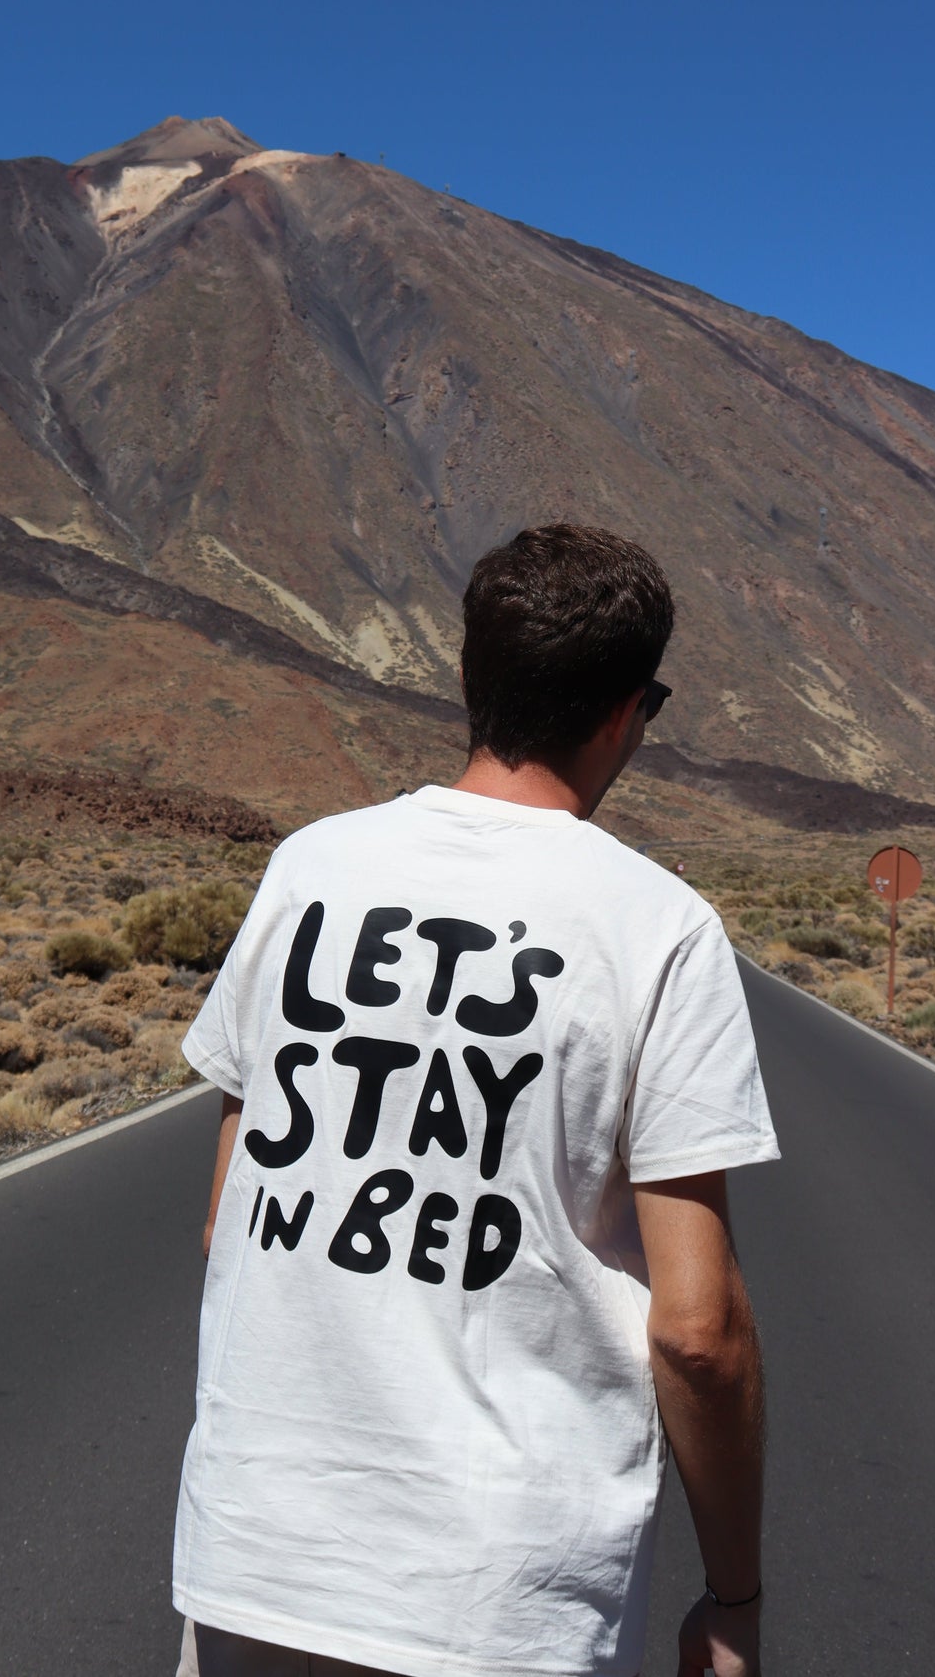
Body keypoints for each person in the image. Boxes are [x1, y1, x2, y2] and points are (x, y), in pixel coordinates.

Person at [173, 523, 779, 1677]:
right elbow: (699, 1335)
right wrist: (732, 1596)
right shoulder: (656, 928)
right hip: (496, 1601)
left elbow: (227, 1219)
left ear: (470, 679)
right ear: (623, 712)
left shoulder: (308, 870)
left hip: (251, 1561)